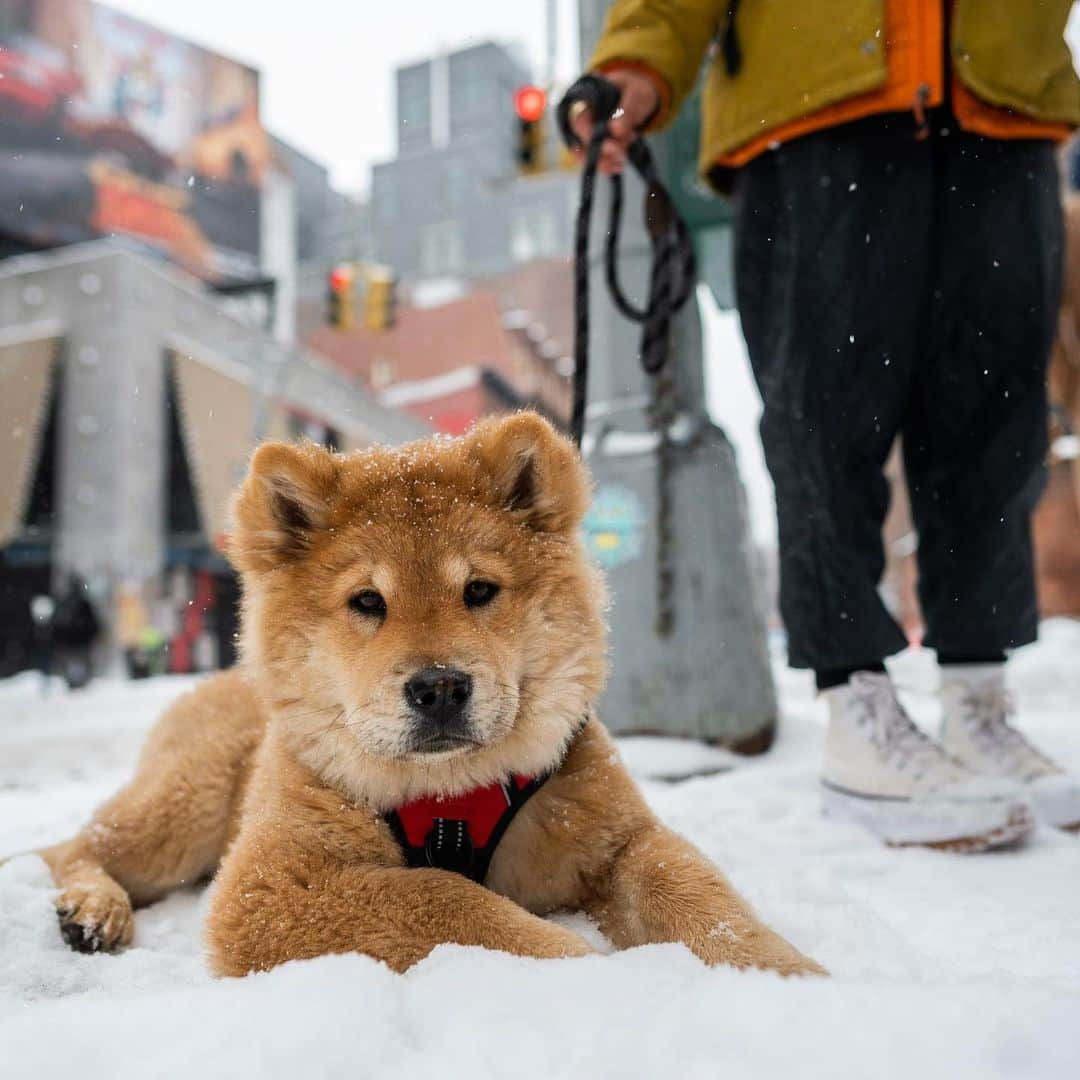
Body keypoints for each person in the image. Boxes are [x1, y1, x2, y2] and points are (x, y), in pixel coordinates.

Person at [571, 1, 1080, 848]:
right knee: (824, 412)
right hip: (816, 99)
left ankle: (977, 702)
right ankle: (857, 710)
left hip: (1003, 99)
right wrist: (640, 59)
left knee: (994, 420)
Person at [50, 574, 101, 690]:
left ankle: (74, 681)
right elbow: (93, 622)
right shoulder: (84, 603)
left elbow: (56, 624)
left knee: (72, 665)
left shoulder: (64, 602)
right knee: (81, 665)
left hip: (68, 644)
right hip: (81, 643)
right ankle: (79, 682)